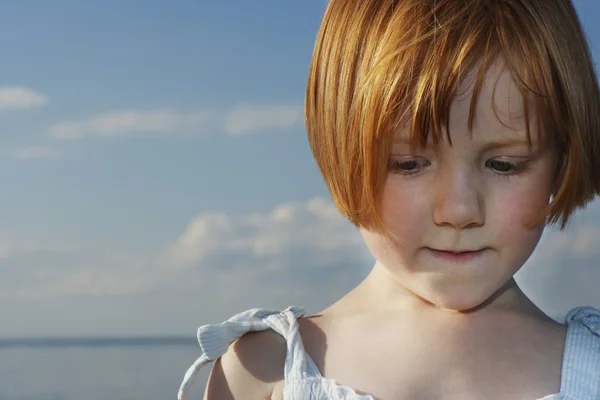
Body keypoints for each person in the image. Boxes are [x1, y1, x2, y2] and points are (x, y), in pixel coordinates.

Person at [178, 0, 600, 399]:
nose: (458, 210)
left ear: (564, 156)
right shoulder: (263, 369)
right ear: (342, 150)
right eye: (408, 163)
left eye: (505, 165)